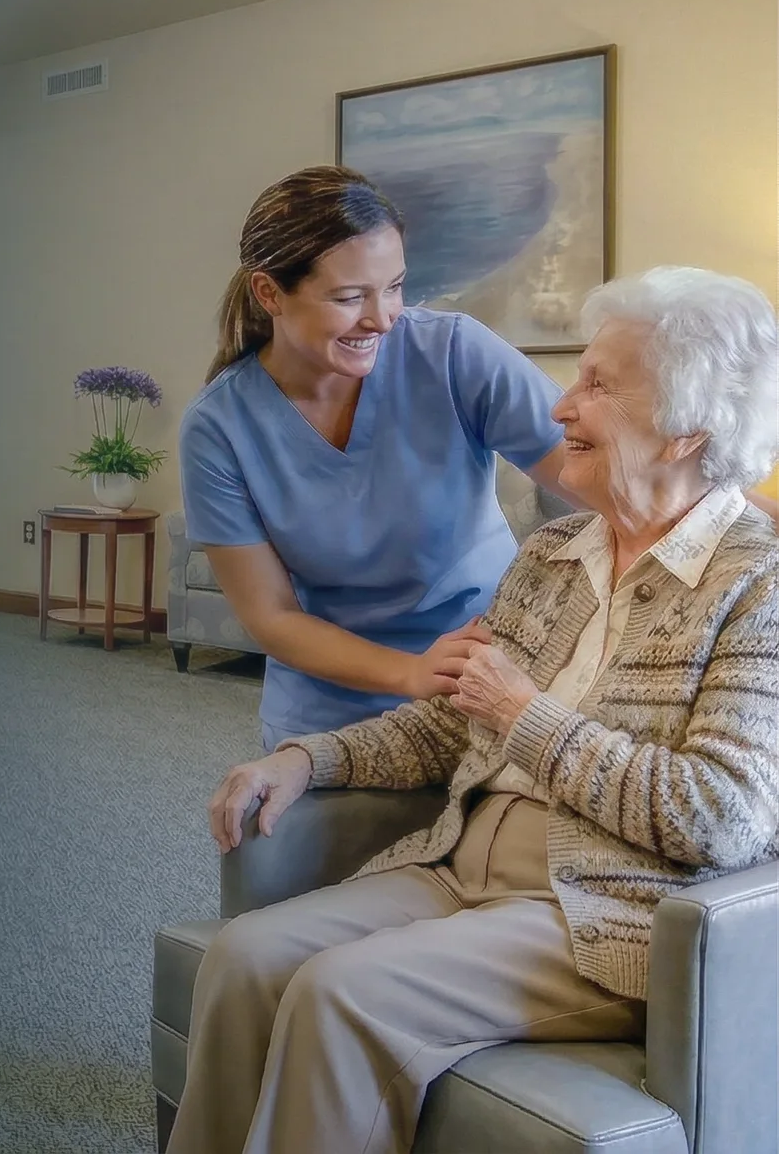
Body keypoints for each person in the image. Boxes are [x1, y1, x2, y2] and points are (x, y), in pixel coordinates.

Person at [168, 265, 779, 1154]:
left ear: (689, 428)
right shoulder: (558, 550)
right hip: (462, 865)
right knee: (244, 958)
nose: (562, 407)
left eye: (598, 384)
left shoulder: (754, 586)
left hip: (607, 912)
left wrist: (529, 714)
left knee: (341, 991)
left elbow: (720, 813)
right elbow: (457, 718)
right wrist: (306, 758)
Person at [180, 167, 778, 752]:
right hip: (330, 699)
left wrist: (757, 522)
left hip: (488, 668)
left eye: (394, 287)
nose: (383, 317)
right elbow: (272, 617)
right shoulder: (220, 427)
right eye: (348, 297)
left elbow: (614, 481)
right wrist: (410, 673)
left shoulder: (452, 352)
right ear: (268, 293)